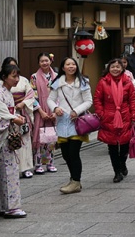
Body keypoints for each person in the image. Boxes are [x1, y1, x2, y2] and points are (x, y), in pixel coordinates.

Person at [48, 57, 93, 194]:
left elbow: (88, 101)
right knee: (66, 154)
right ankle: (73, 179)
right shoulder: (57, 82)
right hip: (62, 122)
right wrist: (55, 109)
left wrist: (77, 111)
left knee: (74, 153)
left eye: (73, 64)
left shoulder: (83, 82)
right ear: (63, 68)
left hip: (77, 122)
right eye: (68, 64)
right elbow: (49, 99)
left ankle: (76, 181)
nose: (71, 66)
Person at [0, 63, 28, 218]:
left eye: (17, 75)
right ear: (4, 77)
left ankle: (5, 206)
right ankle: (11, 207)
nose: (17, 79)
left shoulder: (7, 93)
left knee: (8, 172)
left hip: (7, 136)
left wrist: (15, 118)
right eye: (13, 76)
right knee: (7, 172)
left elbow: (6, 114)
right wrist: (13, 120)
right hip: (2, 137)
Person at [94, 58, 135, 183]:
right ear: (108, 68)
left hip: (125, 116)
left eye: (118, 67)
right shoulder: (103, 82)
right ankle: (117, 172)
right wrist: (101, 114)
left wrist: (134, 117)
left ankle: (122, 164)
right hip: (109, 117)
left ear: (122, 69)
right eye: (112, 66)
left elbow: (133, 101)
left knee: (124, 145)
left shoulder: (128, 83)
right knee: (112, 146)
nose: (115, 69)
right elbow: (97, 99)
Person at [2, 57, 36, 179]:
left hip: (22, 111)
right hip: (11, 113)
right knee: (12, 140)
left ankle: (26, 167)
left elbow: (31, 94)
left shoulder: (24, 81)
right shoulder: (1, 86)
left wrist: (23, 104)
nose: (15, 77)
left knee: (25, 140)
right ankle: (15, 167)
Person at [30, 52, 58, 175]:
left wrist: (56, 110)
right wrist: (40, 111)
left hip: (53, 110)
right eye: (42, 61)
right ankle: (38, 164)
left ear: (50, 61)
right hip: (40, 110)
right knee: (40, 137)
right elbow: (32, 96)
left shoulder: (56, 76)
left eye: (46, 60)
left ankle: (50, 163)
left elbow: (59, 95)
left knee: (51, 138)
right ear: (39, 63)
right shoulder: (34, 77)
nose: (44, 63)